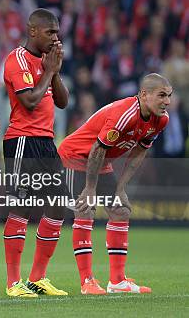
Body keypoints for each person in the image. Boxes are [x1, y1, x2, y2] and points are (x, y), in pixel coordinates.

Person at [58, 73, 171, 295]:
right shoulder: (125, 114)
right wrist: (90, 189)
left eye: (168, 96)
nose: (166, 101)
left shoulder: (161, 119)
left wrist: (121, 188)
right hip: (76, 155)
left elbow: (139, 151)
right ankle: (87, 281)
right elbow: (97, 149)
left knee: (120, 211)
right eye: (161, 96)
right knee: (85, 210)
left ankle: (117, 282)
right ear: (144, 95)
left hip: (100, 161)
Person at [1, 8, 69, 297]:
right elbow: (28, 101)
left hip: (45, 140)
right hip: (22, 141)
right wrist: (49, 70)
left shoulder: (46, 63)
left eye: (57, 32)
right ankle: (13, 283)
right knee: (22, 206)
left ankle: (37, 278)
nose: (56, 37)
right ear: (33, 32)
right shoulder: (16, 60)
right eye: (50, 32)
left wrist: (54, 71)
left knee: (59, 203)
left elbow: (63, 102)